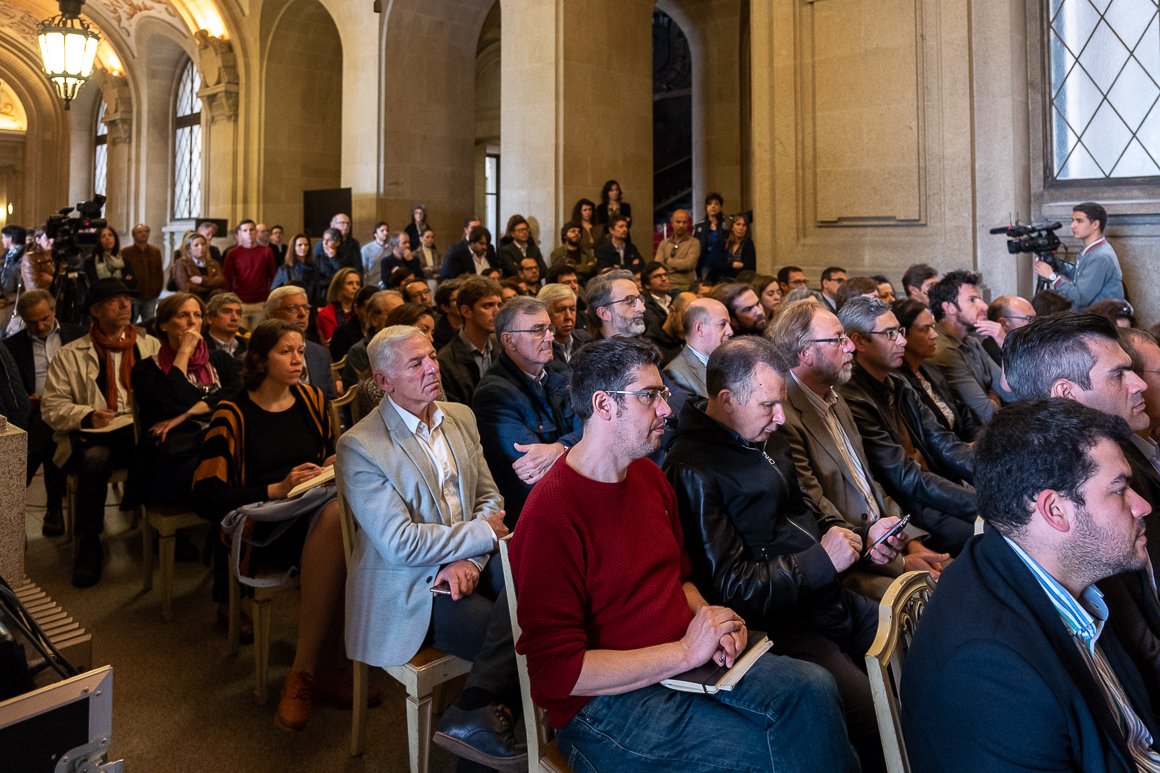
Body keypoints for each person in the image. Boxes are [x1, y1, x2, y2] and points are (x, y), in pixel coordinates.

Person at [508, 336, 859, 772]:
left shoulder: (648, 477)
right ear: (603, 405)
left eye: (662, 393)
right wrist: (686, 652)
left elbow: (680, 577)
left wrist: (710, 618)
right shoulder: (551, 514)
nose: (666, 409)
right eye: (649, 396)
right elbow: (558, 672)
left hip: (683, 663)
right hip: (605, 706)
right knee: (775, 753)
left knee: (814, 688)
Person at [665, 336, 907, 773]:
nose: (780, 417)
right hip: (782, 626)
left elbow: (810, 514)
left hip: (828, 598)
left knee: (922, 652)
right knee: (880, 723)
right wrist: (820, 562)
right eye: (768, 405)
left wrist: (863, 539)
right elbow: (730, 588)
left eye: (782, 402)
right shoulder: (692, 467)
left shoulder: (768, 436)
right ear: (727, 400)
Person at [901, 399, 1160, 771]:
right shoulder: (990, 670)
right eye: (1119, 490)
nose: (1142, 506)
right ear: (1054, 510)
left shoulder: (1069, 570)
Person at [337, 324, 526, 769]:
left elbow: (490, 498)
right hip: (410, 586)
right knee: (515, 643)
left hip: (468, 561)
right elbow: (400, 543)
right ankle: (487, 745)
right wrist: (480, 537)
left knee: (539, 591)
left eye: (433, 357)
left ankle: (474, 723)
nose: (432, 368)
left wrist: (469, 558)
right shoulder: (361, 445)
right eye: (415, 363)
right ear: (384, 381)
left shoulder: (459, 416)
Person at [192, 319, 346, 732]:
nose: (298, 361)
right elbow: (206, 496)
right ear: (260, 360)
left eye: (300, 351)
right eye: (286, 352)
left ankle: (324, 666)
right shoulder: (233, 413)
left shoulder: (313, 400)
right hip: (261, 525)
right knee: (341, 524)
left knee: (351, 525)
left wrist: (330, 464)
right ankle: (309, 671)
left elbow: (323, 456)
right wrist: (277, 488)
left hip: (310, 509)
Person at [766, 300, 953, 594]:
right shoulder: (783, 418)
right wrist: (901, 563)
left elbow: (867, 483)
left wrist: (910, 540)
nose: (850, 347)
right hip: (851, 565)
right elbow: (819, 512)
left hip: (885, 546)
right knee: (944, 598)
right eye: (838, 340)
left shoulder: (835, 398)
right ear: (804, 353)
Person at [41, 278, 162, 587]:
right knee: (95, 459)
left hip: (138, 433)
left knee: (162, 446)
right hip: (93, 436)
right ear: (95, 310)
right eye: (114, 300)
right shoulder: (70, 354)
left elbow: (167, 391)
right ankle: (89, 542)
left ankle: (162, 526)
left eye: (127, 299)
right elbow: (51, 407)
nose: (125, 305)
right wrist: (87, 414)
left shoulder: (150, 346)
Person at [837, 296, 977, 555]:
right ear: (859, 342)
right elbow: (903, 476)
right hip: (906, 508)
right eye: (890, 334)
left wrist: (995, 477)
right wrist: (979, 503)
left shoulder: (898, 383)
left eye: (899, 331)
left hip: (930, 489)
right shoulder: (852, 398)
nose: (902, 341)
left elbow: (943, 441)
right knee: (986, 534)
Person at [472, 296, 580, 529]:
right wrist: (579, 446)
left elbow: (595, 426)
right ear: (509, 340)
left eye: (549, 329)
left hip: (575, 500)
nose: (550, 337)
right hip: (536, 516)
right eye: (538, 331)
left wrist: (560, 448)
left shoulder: (559, 370)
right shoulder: (494, 394)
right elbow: (533, 471)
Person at [131, 293, 240, 508]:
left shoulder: (219, 360)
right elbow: (171, 403)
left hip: (220, 442)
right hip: (178, 454)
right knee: (218, 471)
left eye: (197, 315)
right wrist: (184, 351)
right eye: (183, 315)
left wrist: (187, 413)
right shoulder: (146, 370)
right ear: (163, 325)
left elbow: (238, 392)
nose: (192, 322)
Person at [4, 289, 86, 536]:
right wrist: (24, 399)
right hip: (34, 411)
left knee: (48, 428)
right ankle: (52, 507)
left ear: (53, 311)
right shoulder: (12, 346)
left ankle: (20, 484)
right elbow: (11, 389)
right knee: (49, 428)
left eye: (44, 319)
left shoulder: (78, 336)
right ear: (23, 320)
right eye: (32, 322)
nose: (40, 326)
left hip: (75, 409)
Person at [891, 298, 980, 442]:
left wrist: (977, 441)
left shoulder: (930, 369)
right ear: (902, 335)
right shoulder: (899, 383)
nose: (935, 334)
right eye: (925, 329)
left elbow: (962, 412)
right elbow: (931, 437)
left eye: (933, 326)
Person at [927, 270, 1004, 424]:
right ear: (949, 308)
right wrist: (996, 400)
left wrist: (1004, 343)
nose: (984, 306)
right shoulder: (944, 350)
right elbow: (987, 414)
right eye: (972, 300)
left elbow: (1012, 394)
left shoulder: (971, 342)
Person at [1034, 201, 1124, 310]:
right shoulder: (1090, 250)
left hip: (1099, 317)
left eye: (1079, 221)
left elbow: (1081, 297)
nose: (1073, 225)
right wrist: (1055, 264)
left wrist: (1052, 276)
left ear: (1095, 224)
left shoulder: (1100, 257)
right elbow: (1080, 275)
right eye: (1072, 220)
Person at [436, 276, 502, 405]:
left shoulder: (502, 346)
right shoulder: (445, 361)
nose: (497, 312)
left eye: (499, 305)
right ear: (466, 311)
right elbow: (454, 412)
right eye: (488, 305)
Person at [662, 297, 732, 416]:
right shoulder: (676, 374)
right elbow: (697, 421)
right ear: (699, 328)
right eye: (722, 324)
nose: (730, 331)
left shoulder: (728, 361)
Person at [265, 286, 336, 399]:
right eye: (293, 308)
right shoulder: (260, 355)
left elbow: (331, 401)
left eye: (305, 307)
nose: (302, 314)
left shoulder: (320, 353)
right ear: (273, 315)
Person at [223, 220, 278, 331]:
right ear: (240, 233)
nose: (248, 233)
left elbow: (273, 277)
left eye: (251, 230)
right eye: (245, 230)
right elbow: (227, 278)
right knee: (241, 337)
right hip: (239, 302)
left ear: (256, 232)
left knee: (258, 336)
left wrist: (269, 298)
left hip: (260, 302)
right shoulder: (232, 253)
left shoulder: (266, 251)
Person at [119, 224, 163, 321]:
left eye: (146, 231)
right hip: (133, 295)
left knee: (149, 323)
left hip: (150, 295)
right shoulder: (126, 252)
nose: (143, 234)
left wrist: (157, 290)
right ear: (134, 235)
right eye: (140, 232)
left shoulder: (155, 251)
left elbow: (159, 273)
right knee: (130, 321)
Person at [537, 283, 589, 364]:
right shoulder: (538, 348)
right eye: (560, 310)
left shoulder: (586, 339)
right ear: (545, 313)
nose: (569, 316)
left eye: (572, 309)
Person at [586, 268, 645, 339]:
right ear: (604, 313)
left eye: (640, 299)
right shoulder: (593, 347)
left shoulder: (645, 344)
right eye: (629, 300)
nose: (642, 308)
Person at [171, 231, 225, 301]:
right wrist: (210, 287)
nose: (201, 247)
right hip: (190, 300)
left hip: (211, 300)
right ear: (189, 249)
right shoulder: (181, 263)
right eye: (196, 245)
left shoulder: (214, 263)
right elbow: (186, 287)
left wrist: (202, 280)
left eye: (203, 244)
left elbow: (220, 281)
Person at [654, 209, 700, 290]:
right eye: (678, 222)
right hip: (665, 285)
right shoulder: (664, 243)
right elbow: (658, 265)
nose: (681, 225)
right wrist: (678, 266)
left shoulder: (694, 243)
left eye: (684, 222)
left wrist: (668, 261)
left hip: (685, 285)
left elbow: (688, 265)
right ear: (672, 223)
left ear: (688, 223)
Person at [315, 267, 361, 346]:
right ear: (339, 287)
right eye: (350, 283)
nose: (355, 287)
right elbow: (334, 343)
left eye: (357, 283)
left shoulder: (361, 311)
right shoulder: (326, 314)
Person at [496, 215, 547, 279]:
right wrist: (534, 271)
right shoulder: (506, 251)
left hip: (535, 283)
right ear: (512, 233)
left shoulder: (534, 249)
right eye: (521, 230)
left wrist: (520, 267)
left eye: (526, 229)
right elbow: (513, 271)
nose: (524, 232)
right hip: (515, 284)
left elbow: (543, 271)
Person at [203, 292, 247, 360]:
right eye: (227, 311)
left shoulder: (247, 346)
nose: (235, 318)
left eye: (238, 313)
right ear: (209, 318)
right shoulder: (199, 347)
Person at [694, 192, 727, 280]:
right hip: (705, 265)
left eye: (716, 204)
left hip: (722, 266)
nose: (713, 206)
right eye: (710, 204)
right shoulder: (699, 226)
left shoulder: (726, 225)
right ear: (706, 207)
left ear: (720, 207)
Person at [721, 214, 756, 280]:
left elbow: (748, 267)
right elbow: (719, 264)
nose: (741, 228)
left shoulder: (748, 244)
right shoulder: (725, 243)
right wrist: (732, 265)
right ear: (732, 227)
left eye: (744, 225)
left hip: (742, 280)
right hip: (724, 279)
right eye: (738, 224)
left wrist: (728, 266)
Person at [360, 221, 390, 287]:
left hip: (387, 285)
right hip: (372, 285)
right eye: (382, 231)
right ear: (375, 234)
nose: (386, 233)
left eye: (387, 230)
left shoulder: (391, 248)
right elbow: (363, 270)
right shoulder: (366, 249)